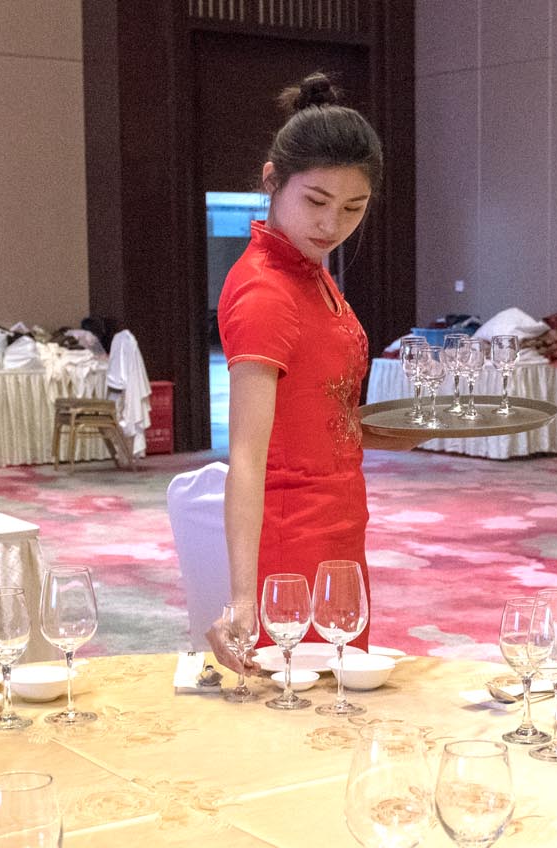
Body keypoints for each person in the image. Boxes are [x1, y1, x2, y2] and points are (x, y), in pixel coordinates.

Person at [205, 72, 415, 673]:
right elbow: (248, 457)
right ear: (273, 181)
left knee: (338, 698)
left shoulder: (310, 271)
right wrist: (242, 596)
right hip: (290, 534)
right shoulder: (266, 290)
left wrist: (405, 429)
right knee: (302, 703)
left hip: (340, 520)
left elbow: (318, 413)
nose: (332, 225)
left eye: (354, 208)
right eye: (316, 202)